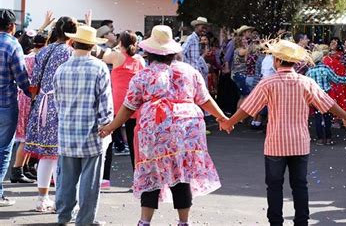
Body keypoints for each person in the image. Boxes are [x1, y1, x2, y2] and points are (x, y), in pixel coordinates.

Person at [98, 25, 226, 226]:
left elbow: (128, 107)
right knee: (181, 175)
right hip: (188, 130)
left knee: (151, 173)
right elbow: (205, 99)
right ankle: (184, 222)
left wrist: (110, 127)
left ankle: (144, 221)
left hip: (156, 130)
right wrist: (222, 118)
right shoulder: (189, 71)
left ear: (149, 52)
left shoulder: (144, 75)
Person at [219, 39, 346, 226]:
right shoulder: (305, 82)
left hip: (275, 144)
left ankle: (276, 222)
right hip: (300, 142)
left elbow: (248, 108)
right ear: (294, 62)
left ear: (276, 60)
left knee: (274, 186)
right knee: (300, 185)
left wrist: (229, 122)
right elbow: (328, 104)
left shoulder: (268, 83)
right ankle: (302, 221)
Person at [53, 25, 113, 224]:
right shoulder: (99, 67)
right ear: (92, 46)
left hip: (66, 130)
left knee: (66, 180)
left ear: (72, 43)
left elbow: (57, 102)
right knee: (89, 181)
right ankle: (85, 219)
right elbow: (105, 103)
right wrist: (107, 126)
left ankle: (63, 216)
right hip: (92, 132)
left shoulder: (61, 69)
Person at [24, 17, 78, 212]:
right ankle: (60, 199)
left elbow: (34, 82)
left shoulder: (44, 50)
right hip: (60, 105)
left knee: (45, 155)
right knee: (59, 155)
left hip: (41, 104)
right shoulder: (70, 53)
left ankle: (41, 198)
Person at [101, 31, 145, 189]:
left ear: (121, 42)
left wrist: (110, 45)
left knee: (109, 141)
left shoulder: (116, 56)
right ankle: (137, 180)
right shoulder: (140, 59)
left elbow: (103, 55)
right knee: (135, 145)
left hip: (117, 104)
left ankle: (104, 179)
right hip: (135, 104)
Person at [0, 9, 30, 207]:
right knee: (2, 150)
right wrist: (32, 95)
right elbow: (21, 78)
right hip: (5, 104)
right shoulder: (12, 44)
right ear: (12, 27)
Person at [10, 32, 47, 184]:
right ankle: (17, 170)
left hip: (23, 96)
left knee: (26, 137)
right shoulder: (39, 59)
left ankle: (22, 168)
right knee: (25, 137)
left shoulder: (26, 57)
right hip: (31, 96)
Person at [306, 49, 346, 145]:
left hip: (315, 97)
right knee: (327, 117)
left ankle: (320, 139)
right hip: (326, 96)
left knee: (318, 117)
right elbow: (336, 79)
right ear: (321, 58)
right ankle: (328, 138)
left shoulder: (309, 71)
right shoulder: (326, 69)